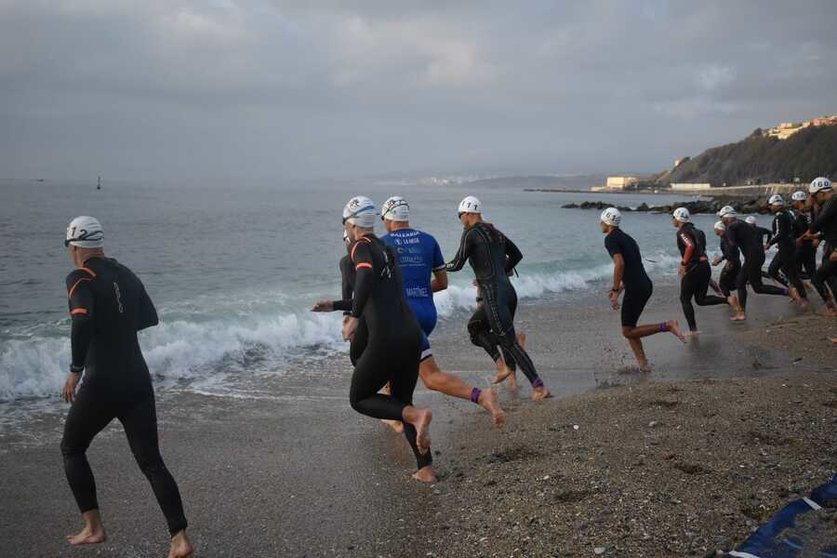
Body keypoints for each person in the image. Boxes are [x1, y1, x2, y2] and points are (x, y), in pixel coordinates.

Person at [60, 216, 192, 558]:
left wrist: (75, 370)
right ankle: (179, 538)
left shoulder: (79, 276)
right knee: (151, 461)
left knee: (72, 449)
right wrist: (119, 325)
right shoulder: (126, 273)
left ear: (75, 247)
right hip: (136, 377)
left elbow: (82, 319)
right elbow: (150, 317)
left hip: (102, 380)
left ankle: (93, 527)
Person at [379, 196, 505, 426]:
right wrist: (416, 290)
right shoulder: (429, 241)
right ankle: (396, 415)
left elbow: (376, 288)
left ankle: (480, 396)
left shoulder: (382, 243)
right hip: (427, 314)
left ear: (387, 218)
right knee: (396, 362)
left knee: (430, 376)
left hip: (403, 318)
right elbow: (442, 283)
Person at [340, 196, 437, 483]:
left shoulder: (357, 249)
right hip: (412, 333)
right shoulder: (387, 248)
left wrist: (353, 318)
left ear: (350, 224)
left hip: (388, 337)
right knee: (400, 399)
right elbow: (373, 292)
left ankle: (416, 415)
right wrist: (337, 307)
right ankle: (426, 469)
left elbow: (364, 280)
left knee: (359, 398)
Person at [445, 196, 550, 400]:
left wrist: (435, 267)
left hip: (493, 295)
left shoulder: (471, 233)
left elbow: (457, 263)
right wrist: (500, 273)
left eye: (460, 216)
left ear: (467, 213)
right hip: (508, 292)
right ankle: (503, 367)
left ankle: (539, 387)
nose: (461, 221)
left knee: (509, 342)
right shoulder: (496, 232)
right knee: (475, 328)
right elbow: (517, 254)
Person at [599, 208, 685, 371]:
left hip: (637, 287)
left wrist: (616, 290)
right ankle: (643, 364)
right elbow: (633, 266)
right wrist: (622, 287)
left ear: (606, 222)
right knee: (631, 327)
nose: (600, 224)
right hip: (643, 284)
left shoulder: (610, 239)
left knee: (627, 331)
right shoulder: (628, 238)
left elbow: (620, 264)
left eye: (601, 221)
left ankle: (667, 326)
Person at [719, 206, 790, 321]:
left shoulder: (730, 227)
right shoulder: (743, 223)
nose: (721, 220)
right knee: (757, 287)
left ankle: (741, 313)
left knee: (741, 282)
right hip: (759, 255)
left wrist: (728, 259)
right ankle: (787, 292)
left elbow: (732, 245)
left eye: (721, 218)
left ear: (726, 217)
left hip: (752, 257)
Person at [671, 208, 729, 335]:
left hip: (693, 267)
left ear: (678, 219)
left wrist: (683, 264)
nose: (672, 220)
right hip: (704, 266)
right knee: (700, 300)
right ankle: (728, 300)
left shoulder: (682, 232)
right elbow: (701, 249)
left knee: (685, 299)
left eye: (673, 218)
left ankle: (693, 330)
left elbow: (690, 246)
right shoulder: (699, 231)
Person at [793, 189, 837, 313]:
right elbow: (826, 228)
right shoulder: (819, 208)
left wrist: (805, 236)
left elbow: (817, 225)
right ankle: (831, 306)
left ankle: (830, 307)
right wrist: (818, 237)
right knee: (828, 277)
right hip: (826, 248)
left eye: (813, 195)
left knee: (818, 277)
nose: (811, 198)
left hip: (822, 249)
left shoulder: (831, 203)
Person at [765, 194, 807, 305]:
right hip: (788, 246)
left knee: (781, 271)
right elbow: (792, 229)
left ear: (776, 205)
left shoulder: (780, 216)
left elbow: (780, 233)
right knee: (786, 271)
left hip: (786, 248)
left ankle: (800, 295)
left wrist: (769, 243)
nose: (770, 207)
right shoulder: (788, 214)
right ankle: (797, 292)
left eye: (771, 205)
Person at [710, 221, 745, 320]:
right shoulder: (728, 236)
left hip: (731, 263)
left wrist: (720, 259)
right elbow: (734, 249)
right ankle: (732, 298)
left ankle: (730, 301)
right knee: (731, 283)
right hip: (736, 262)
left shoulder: (725, 238)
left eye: (715, 229)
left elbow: (730, 250)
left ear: (719, 229)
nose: (714, 230)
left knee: (722, 284)